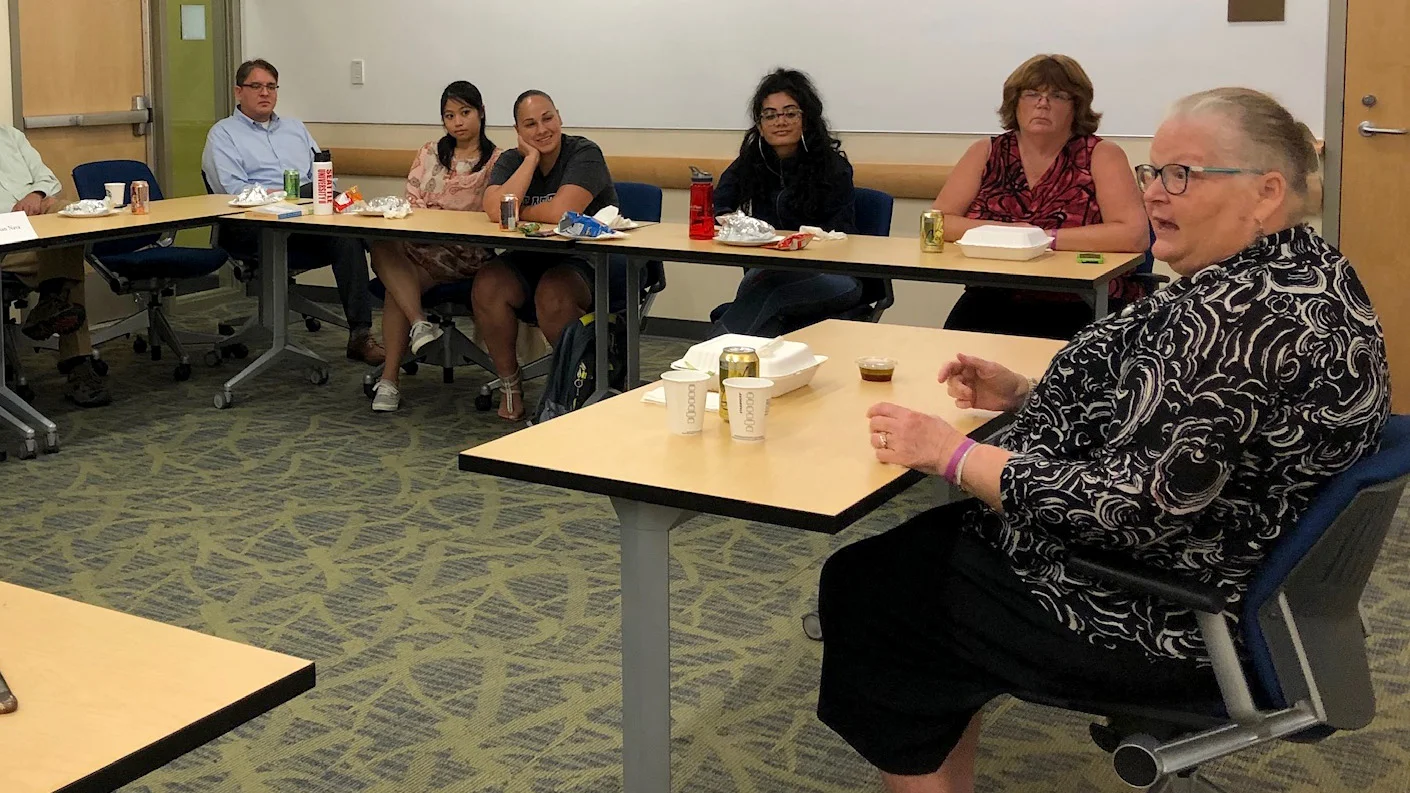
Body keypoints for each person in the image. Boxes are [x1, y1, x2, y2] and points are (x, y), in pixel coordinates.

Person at [818, 88, 1389, 793]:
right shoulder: (1303, 273)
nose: (1155, 193)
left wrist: (952, 454)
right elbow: (1171, 406)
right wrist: (1025, 393)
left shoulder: (1236, 324)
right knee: (915, 555)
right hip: (1235, 574)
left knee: (873, 591)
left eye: (1183, 175)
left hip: (1168, 609)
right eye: (1154, 171)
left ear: (1267, 192)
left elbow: (1127, 507)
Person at [934, 54, 1148, 340]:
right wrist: (1012, 234)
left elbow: (1133, 235)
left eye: (1057, 96)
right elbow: (937, 223)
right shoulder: (986, 152)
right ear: (1015, 102)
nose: (1042, 103)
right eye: (1032, 94)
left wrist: (1042, 238)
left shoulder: (1101, 154)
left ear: (1076, 106)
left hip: (1080, 299)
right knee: (947, 356)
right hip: (993, 294)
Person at [202, 58, 385, 365]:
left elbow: (323, 174)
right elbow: (233, 190)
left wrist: (314, 198)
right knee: (335, 208)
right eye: (256, 86)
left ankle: (360, 334)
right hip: (255, 226)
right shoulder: (223, 134)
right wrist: (291, 196)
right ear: (238, 91)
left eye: (271, 86)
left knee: (347, 236)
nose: (265, 93)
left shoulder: (295, 128)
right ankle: (397, 278)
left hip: (306, 221)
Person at [474, 90, 619, 421]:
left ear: (559, 117)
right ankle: (510, 386)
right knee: (488, 283)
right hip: (533, 257)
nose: (541, 130)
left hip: (589, 258)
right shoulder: (513, 160)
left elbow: (562, 213)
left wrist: (517, 211)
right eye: (530, 124)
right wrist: (530, 161)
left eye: (547, 118)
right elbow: (495, 210)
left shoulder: (584, 153)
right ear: (518, 131)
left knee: (554, 293)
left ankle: (574, 390)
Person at [367, 81, 501, 413]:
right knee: (381, 245)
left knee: (397, 287)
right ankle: (419, 324)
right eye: (449, 116)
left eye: (465, 112)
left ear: (481, 113)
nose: (458, 122)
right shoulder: (429, 152)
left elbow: (489, 212)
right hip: (421, 244)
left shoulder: (497, 160)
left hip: (465, 252)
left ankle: (390, 379)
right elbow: (412, 200)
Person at [709, 68, 861, 337]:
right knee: (766, 307)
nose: (780, 122)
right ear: (760, 125)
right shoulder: (752, 162)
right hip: (769, 271)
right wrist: (735, 224)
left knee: (765, 289)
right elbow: (719, 206)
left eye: (790, 113)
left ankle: (707, 354)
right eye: (770, 115)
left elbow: (841, 236)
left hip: (834, 275)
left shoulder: (833, 168)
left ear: (807, 119)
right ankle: (724, 354)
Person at [0, 126, 110, 406]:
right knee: (65, 256)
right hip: (4, 238)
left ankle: (52, 299)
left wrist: (36, 195)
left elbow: (47, 179)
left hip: (36, 231)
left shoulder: (10, 136)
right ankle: (77, 364)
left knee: (66, 214)